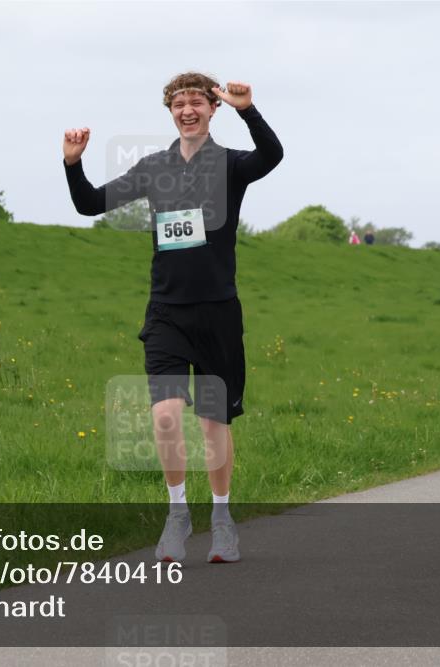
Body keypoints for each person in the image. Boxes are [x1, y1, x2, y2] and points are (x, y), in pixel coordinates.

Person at [62, 72, 283, 563]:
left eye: (197, 102)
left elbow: (272, 155)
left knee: (212, 423)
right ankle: (177, 514)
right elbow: (89, 203)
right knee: (164, 416)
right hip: (166, 312)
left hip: (218, 313)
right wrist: (73, 163)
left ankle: (222, 521)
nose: (187, 110)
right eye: (178, 103)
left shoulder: (230, 164)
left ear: (213, 108)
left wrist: (248, 109)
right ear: (170, 111)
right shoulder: (154, 167)